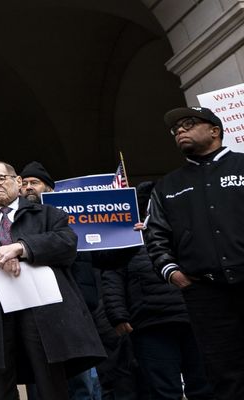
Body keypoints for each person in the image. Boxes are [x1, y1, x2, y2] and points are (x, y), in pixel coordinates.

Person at [0, 160, 105, 400]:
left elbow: (66, 244)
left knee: (50, 381)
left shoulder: (48, 214)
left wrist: (21, 248)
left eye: (0, 178)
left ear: (17, 181)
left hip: (43, 311)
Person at [146, 106, 244, 399]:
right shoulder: (168, 185)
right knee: (223, 373)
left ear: (214, 130)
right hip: (205, 294)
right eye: (176, 129)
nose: (180, 131)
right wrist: (171, 271)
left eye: (188, 124)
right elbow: (155, 234)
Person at [102, 182, 213, 400]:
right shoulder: (127, 240)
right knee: (162, 389)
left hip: (191, 318)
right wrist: (118, 315)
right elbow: (112, 276)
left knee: (202, 384)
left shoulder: (188, 229)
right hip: (151, 323)